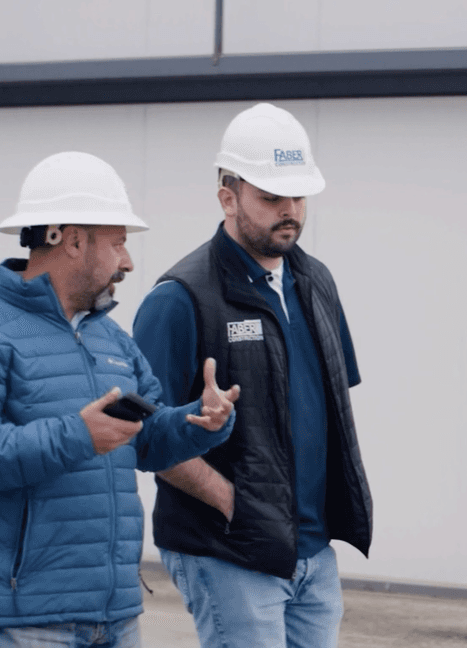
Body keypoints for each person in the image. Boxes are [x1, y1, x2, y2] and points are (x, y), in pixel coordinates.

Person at [0, 151, 241, 647]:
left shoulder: (112, 341)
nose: (129, 262)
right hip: (25, 619)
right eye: (117, 243)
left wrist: (199, 421)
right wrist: (78, 435)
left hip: (115, 615)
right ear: (72, 240)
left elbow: (148, 441)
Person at [131, 102, 372, 648]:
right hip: (229, 550)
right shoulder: (180, 299)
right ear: (228, 195)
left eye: (298, 196)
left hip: (312, 549)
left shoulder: (316, 282)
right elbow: (143, 437)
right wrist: (230, 501)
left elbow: (327, 410)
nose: (289, 210)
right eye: (270, 197)